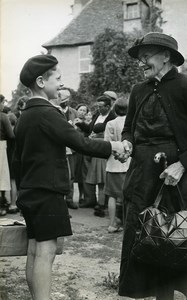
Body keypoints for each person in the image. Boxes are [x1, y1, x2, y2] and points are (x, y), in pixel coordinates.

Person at [116, 32, 187, 300]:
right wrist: (128, 143)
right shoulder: (138, 90)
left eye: (146, 56)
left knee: (186, 238)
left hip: (184, 180)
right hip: (144, 177)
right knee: (151, 239)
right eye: (140, 57)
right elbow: (129, 129)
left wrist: (182, 164)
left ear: (166, 56)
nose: (141, 62)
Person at [13, 54, 124, 300]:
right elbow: (80, 143)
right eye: (58, 78)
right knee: (46, 252)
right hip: (48, 191)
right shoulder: (48, 113)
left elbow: (17, 161)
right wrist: (113, 147)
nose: (62, 84)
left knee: (34, 250)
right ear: (41, 81)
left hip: (31, 191)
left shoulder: (24, 117)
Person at [104, 97, 130, 233]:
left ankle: (112, 223)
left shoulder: (110, 124)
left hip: (113, 163)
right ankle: (128, 223)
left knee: (112, 195)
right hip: (129, 162)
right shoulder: (131, 123)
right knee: (128, 195)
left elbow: (106, 143)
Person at [0, 94, 15, 216]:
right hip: (1, 146)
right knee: (2, 176)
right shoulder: (3, 116)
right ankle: (2, 204)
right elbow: (11, 135)